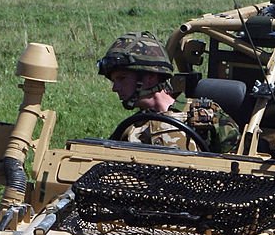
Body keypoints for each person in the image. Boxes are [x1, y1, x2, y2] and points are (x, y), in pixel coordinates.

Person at [97, 31, 241, 153]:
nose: (115, 88)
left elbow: (237, 165)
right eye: (114, 81)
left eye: (122, 79)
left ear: (150, 77)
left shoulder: (205, 116)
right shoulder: (130, 129)